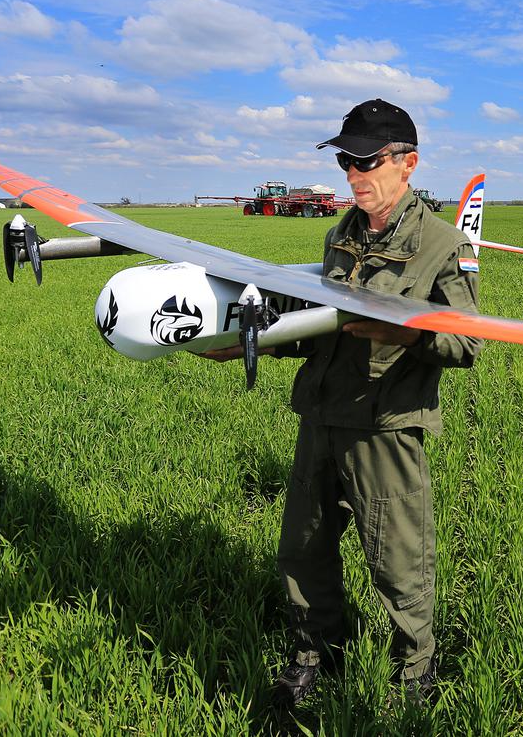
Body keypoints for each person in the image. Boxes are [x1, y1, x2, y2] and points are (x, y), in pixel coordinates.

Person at [202, 98, 481, 711]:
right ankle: (314, 654)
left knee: (397, 559)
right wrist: (249, 343)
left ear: (407, 163)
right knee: (303, 549)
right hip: (322, 414)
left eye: (366, 160)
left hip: (384, 425)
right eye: (345, 161)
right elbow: (321, 326)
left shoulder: (441, 243)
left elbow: (467, 341)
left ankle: (414, 676)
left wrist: (410, 334)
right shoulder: (341, 234)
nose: (354, 174)